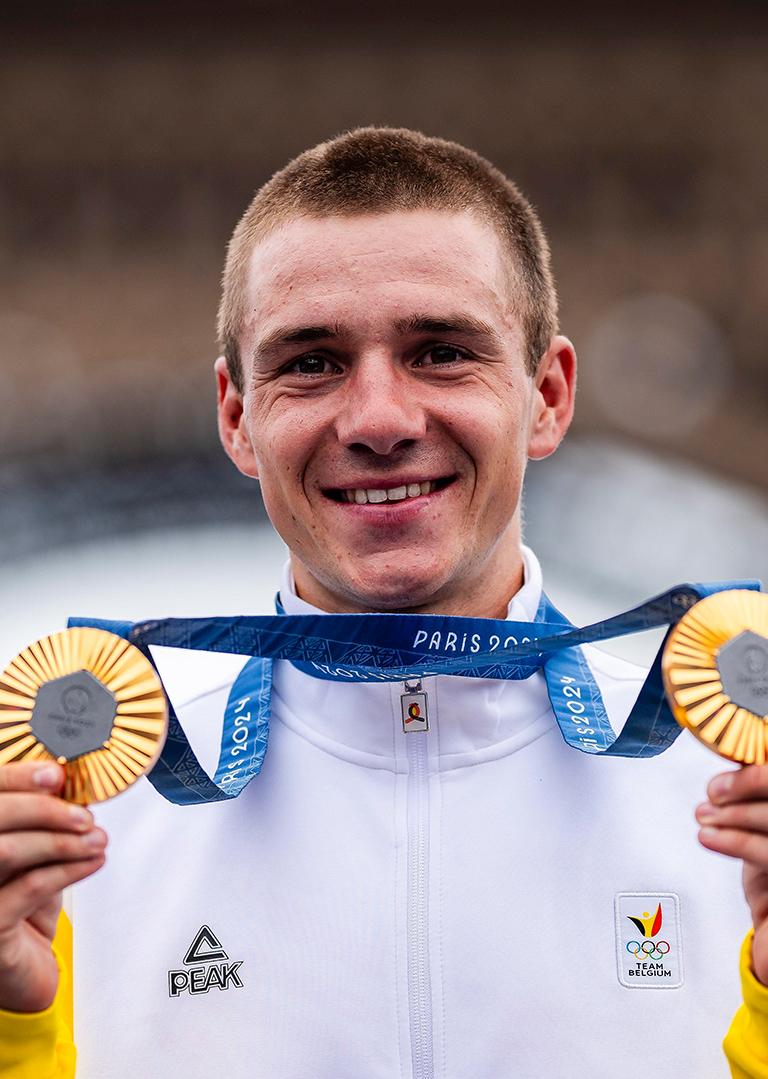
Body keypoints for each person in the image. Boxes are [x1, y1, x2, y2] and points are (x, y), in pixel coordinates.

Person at [0, 126, 767, 1078]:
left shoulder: (732, 798)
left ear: (548, 396)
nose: (378, 421)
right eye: (311, 362)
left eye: (442, 351)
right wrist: (13, 1034)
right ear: (238, 419)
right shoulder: (76, 828)